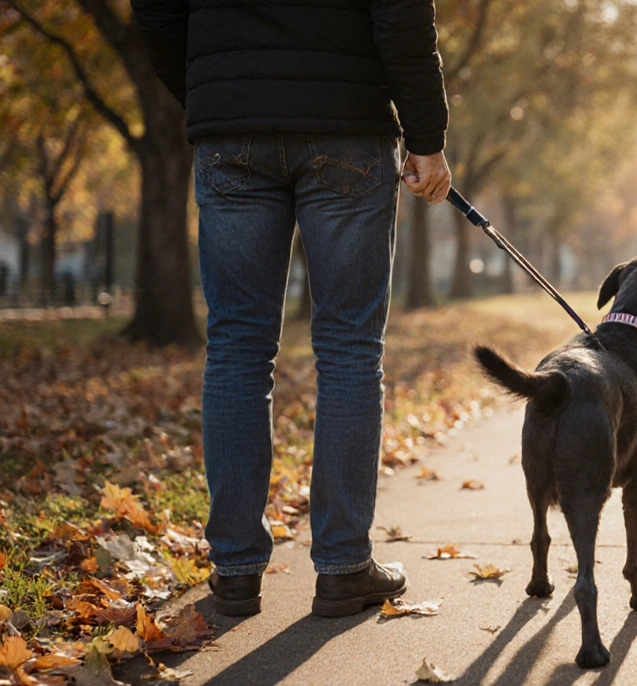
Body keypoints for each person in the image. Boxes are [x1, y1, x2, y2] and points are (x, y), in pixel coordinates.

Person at [132, 0, 452, 618]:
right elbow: (402, 15)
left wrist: (216, 91)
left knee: (236, 348)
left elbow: (156, 11)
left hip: (232, 130)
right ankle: (342, 567)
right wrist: (426, 140)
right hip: (346, 125)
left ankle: (234, 570)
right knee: (350, 350)